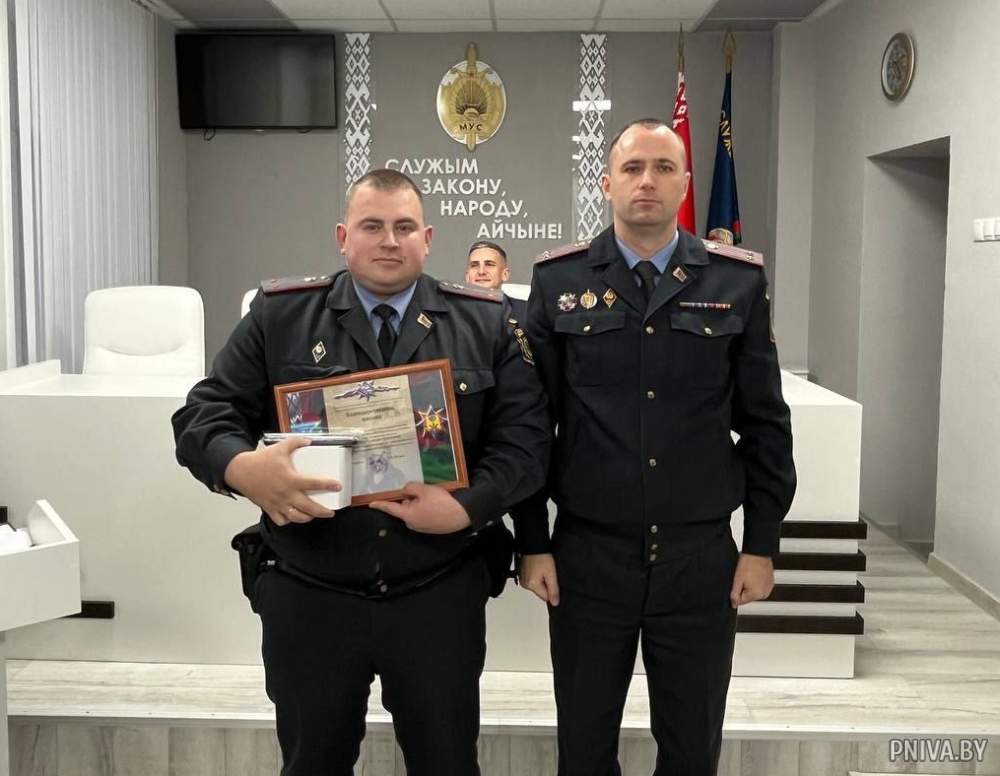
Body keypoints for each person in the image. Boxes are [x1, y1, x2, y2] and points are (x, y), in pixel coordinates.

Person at [172, 168, 549, 776]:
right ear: (343, 237)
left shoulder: (485, 322)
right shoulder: (280, 316)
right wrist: (242, 468)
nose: (389, 241)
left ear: (427, 238)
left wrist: (466, 507)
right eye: (372, 226)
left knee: (448, 764)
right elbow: (202, 414)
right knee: (312, 764)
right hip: (311, 589)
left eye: (404, 227)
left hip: (436, 590)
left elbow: (526, 445)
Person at [520, 118, 796, 776]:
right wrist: (532, 540)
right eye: (633, 167)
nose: (648, 181)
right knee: (584, 749)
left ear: (685, 183)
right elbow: (530, 425)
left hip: (698, 560)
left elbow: (765, 423)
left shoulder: (734, 282)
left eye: (664, 168)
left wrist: (762, 544)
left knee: (692, 749)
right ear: (607, 182)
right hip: (589, 557)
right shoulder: (559, 281)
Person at [465, 239, 526, 324]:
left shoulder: (526, 312)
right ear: (467, 276)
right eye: (474, 265)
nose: (481, 272)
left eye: (489, 264)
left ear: (505, 274)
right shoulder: (453, 312)